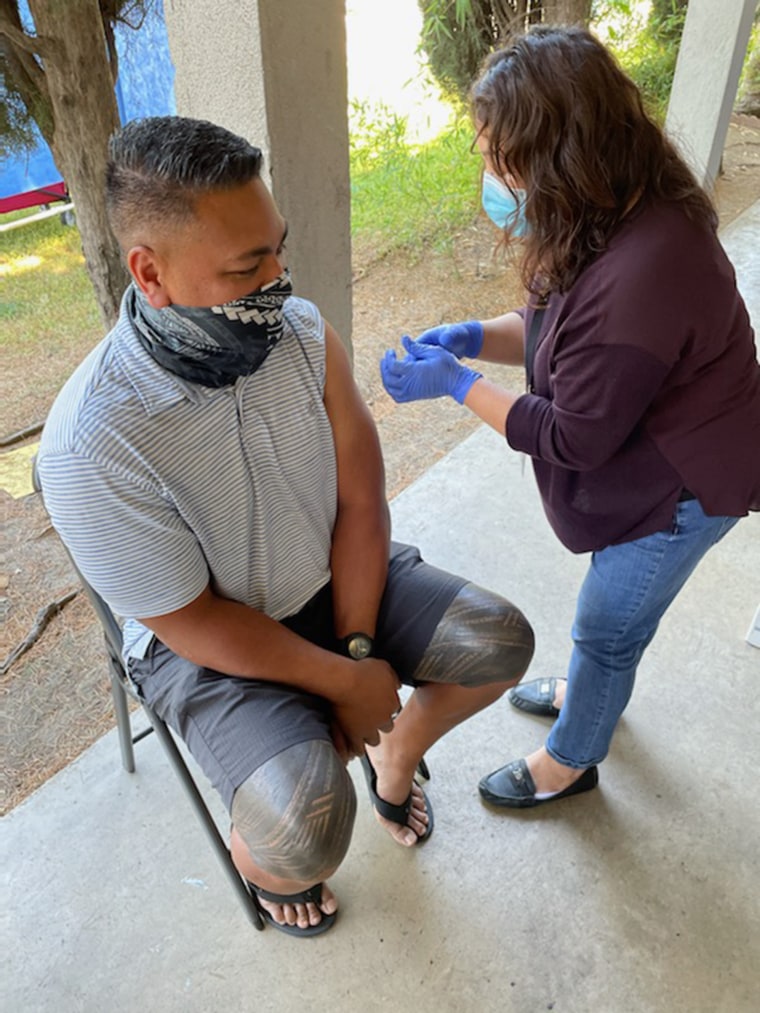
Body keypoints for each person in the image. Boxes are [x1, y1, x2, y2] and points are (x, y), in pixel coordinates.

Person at [36, 115, 535, 937]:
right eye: (248, 264)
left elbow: (363, 502)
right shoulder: (92, 441)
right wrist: (342, 683)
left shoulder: (299, 333)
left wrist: (360, 656)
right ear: (149, 273)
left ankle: (396, 755)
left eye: (279, 247)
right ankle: (262, 862)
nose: (281, 277)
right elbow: (189, 618)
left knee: (499, 641)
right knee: (304, 828)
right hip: (205, 642)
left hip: (331, 580)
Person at [381, 26, 760, 811]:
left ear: (560, 152)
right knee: (613, 617)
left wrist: (456, 383)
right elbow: (558, 324)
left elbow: (572, 434)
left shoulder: (646, 267)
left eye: (499, 157)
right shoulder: (610, 209)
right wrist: (476, 337)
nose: (488, 175)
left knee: (608, 621)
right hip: (661, 451)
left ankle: (574, 756)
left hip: (688, 484)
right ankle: (595, 688)